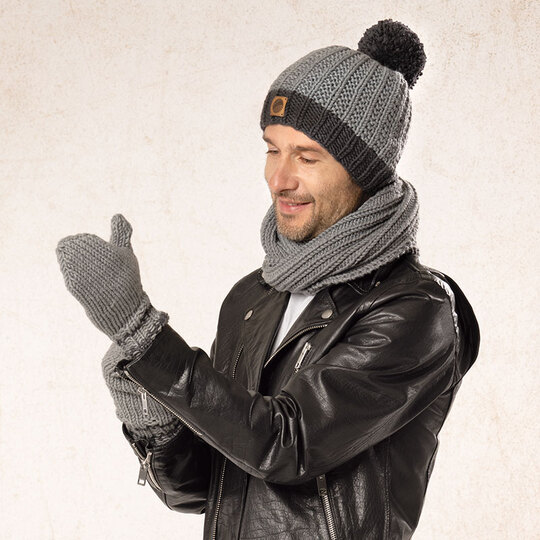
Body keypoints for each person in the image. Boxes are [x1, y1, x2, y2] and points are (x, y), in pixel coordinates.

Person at [56, 19, 480, 540]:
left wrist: (148, 339)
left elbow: (286, 444)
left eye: (307, 156)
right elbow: (205, 488)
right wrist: (150, 415)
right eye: (272, 149)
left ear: (365, 172)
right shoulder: (252, 297)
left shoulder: (416, 309)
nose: (278, 178)